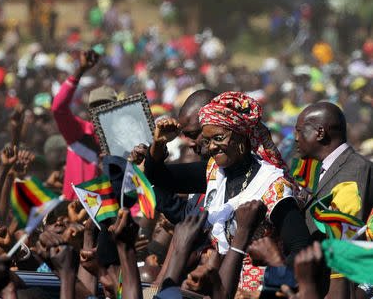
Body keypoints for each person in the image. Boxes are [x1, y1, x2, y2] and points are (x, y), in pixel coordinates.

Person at [198, 91, 310, 291]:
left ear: (240, 137)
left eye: (218, 138)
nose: (211, 148)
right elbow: (164, 178)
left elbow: (301, 246)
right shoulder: (215, 170)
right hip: (220, 285)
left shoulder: (271, 185)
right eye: (207, 141)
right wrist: (157, 147)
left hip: (255, 290)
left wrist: (272, 285)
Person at [294, 102, 373, 237]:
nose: (296, 138)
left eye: (299, 131)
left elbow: (348, 234)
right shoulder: (316, 167)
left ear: (320, 133)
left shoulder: (357, 168)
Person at [139, 89, 217, 224]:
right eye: (188, 137)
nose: (191, 144)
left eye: (194, 135)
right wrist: (158, 144)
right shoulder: (211, 170)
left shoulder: (252, 169)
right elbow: (188, 215)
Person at [52, 50, 117, 198]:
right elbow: (58, 108)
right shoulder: (78, 133)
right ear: (89, 112)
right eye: (97, 106)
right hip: (75, 212)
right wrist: (80, 70)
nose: (103, 110)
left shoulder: (123, 142)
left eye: (108, 106)